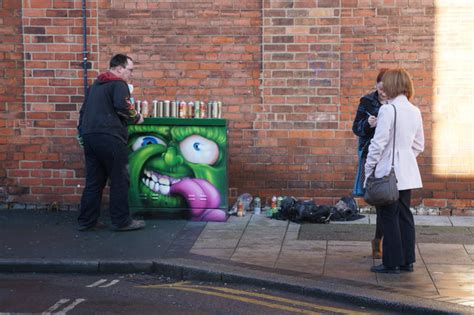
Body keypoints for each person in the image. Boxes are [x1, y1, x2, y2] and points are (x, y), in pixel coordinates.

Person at [364, 68, 424, 273]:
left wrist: (369, 169)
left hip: (387, 171)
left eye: (386, 83)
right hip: (408, 172)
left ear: (393, 85)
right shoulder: (415, 111)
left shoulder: (388, 110)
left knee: (388, 217)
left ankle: (391, 263)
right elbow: (419, 145)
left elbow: (377, 144)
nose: (383, 88)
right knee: (405, 216)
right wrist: (405, 157)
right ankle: (407, 261)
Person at [77, 54, 145, 231]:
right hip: (110, 137)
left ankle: (87, 221)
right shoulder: (118, 84)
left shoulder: (94, 86)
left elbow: (83, 112)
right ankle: (122, 221)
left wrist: (82, 136)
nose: (131, 74)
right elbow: (123, 106)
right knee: (120, 179)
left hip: (90, 137)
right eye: (130, 70)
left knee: (94, 181)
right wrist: (137, 118)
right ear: (119, 68)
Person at [352, 68, 388, 259]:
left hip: (390, 157)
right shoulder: (367, 101)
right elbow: (356, 128)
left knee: (387, 203)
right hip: (372, 156)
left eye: (385, 89)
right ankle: (378, 241)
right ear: (376, 85)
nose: (382, 92)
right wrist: (368, 124)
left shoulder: (396, 103)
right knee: (381, 201)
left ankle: (380, 241)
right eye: (380, 88)